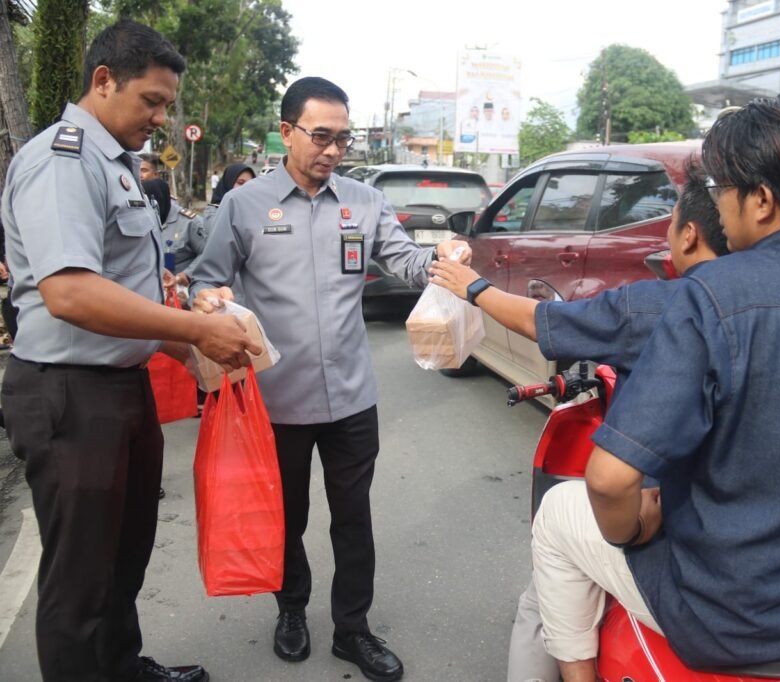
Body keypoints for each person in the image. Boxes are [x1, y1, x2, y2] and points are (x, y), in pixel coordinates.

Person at [518, 95, 780, 682]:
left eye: (719, 188)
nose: (715, 204)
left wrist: (634, 529)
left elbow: (610, 479)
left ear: (761, 200)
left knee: (560, 513)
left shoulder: (713, 294)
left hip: (725, 616)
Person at [0, 19, 260, 682]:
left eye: (168, 106)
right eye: (151, 101)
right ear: (103, 81)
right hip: (68, 392)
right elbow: (71, 294)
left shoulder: (113, 163)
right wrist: (193, 332)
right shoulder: (62, 160)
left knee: (122, 554)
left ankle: (119, 668)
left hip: (117, 386)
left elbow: (121, 286)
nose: (160, 118)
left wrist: (182, 344)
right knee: (80, 578)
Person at [189, 76, 471, 682]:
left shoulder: (363, 203)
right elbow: (204, 278)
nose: (333, 150)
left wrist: (443, 255)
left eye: (343, 139)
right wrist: (206, 297)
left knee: (354, 519)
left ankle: (353, 630)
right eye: (321, 136)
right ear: (287, 131)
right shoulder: (243, 207)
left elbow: (404, 259)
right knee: (287, 518)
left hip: (350, 398)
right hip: (277, 402)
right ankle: (291, 610)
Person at [429, 159, 728, 682]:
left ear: (690, 234)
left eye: (669, 223)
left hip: (707, 577)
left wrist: (472, 287)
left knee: (558, 521)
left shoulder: (664, 308)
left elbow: (542, 321)